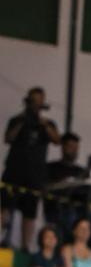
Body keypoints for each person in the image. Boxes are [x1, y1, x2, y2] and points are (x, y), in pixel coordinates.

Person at [1, 87, 61, 249]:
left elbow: (57, 140)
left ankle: (25, 245)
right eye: (34, 101)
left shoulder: (47, 123)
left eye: (39, 101)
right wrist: (22, 120)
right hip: (14, 170)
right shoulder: (17, 120)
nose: (36, 104)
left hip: (35, 174)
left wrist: (44, 124)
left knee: (30, 211)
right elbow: (8, 138)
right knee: (5, 206)